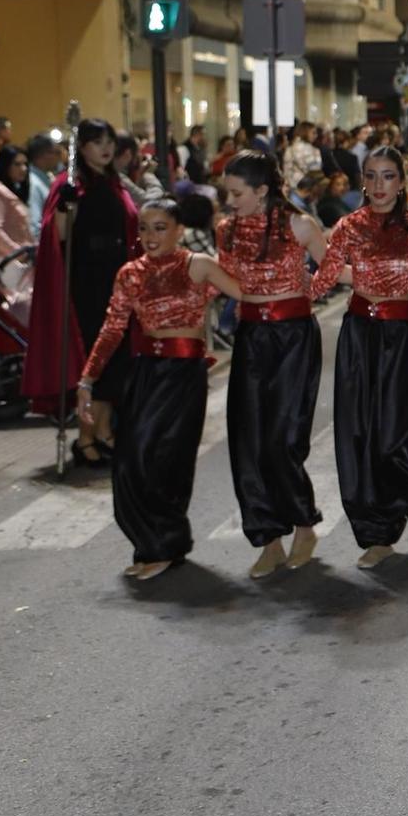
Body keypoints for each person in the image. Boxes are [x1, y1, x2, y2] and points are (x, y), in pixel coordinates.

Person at [75, 198, 242, 580]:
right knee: (128, 462)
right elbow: (112, 329)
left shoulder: (197, 265)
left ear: (179, 229)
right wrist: (87, 379)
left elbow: (246, 292)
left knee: (163, 459)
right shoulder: (129, 273)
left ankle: (164, 545)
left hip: (184, 373)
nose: (150, 236)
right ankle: (153, 544)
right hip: (146, 372)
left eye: (160, 227)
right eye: (144, 228)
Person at [308, 146, 408, 567]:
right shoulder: (347, 226)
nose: (378, 185)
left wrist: (406, 283)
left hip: (400, 336)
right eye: (370, 176)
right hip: (358, 336)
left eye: (387, 176)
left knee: (397, 437)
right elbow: (326, 279)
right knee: (358, 437)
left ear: (402, 181)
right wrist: (279, 298)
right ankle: (377, 534)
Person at [216, 150, 328, 579]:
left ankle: (303, 525)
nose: (230, 201)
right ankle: (268, 538)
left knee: (283, 439)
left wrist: (307, 289)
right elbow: (227, 280)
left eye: (237, 193)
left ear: (262, 191)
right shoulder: (226, 229)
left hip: (294, 337)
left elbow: (332, 266)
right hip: (250, 337)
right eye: (228, 193)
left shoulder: (299, 224)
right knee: (248, 442)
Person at [26, 119, 137, 460]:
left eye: (109, 141)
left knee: (116, 357)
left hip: (117, 275)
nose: (105, 148)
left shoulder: (113, 182)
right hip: (87, 280)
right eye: (97, 142)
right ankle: (85, 437)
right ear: (82, 146)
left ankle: (103, 431)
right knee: (94, 357)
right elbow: (57, 237)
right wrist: (64, 205)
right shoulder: (69, 184)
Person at [0, 145, 36, 322]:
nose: (23, 169)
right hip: (11, 262)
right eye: (17, 164)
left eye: (25, 164)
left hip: (22, 260)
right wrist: (15, 252)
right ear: (5, 165)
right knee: (19, 309)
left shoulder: (12, 191)